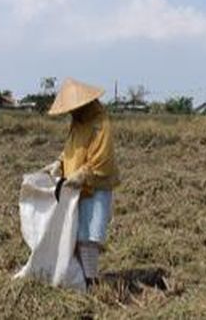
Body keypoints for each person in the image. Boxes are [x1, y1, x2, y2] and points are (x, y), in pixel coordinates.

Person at [40, 77, 120, 289]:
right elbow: (71, 150)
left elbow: (101, 160)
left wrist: (81, 175)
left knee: (89, 237)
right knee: (76, 235)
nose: (71, 112)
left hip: (96, 187)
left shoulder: (100, 124)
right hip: (76, 188)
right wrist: (58, 163)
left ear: (84, 103)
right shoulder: (78, 123)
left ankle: (91, 281)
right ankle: (79, 279)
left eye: (74, 108)